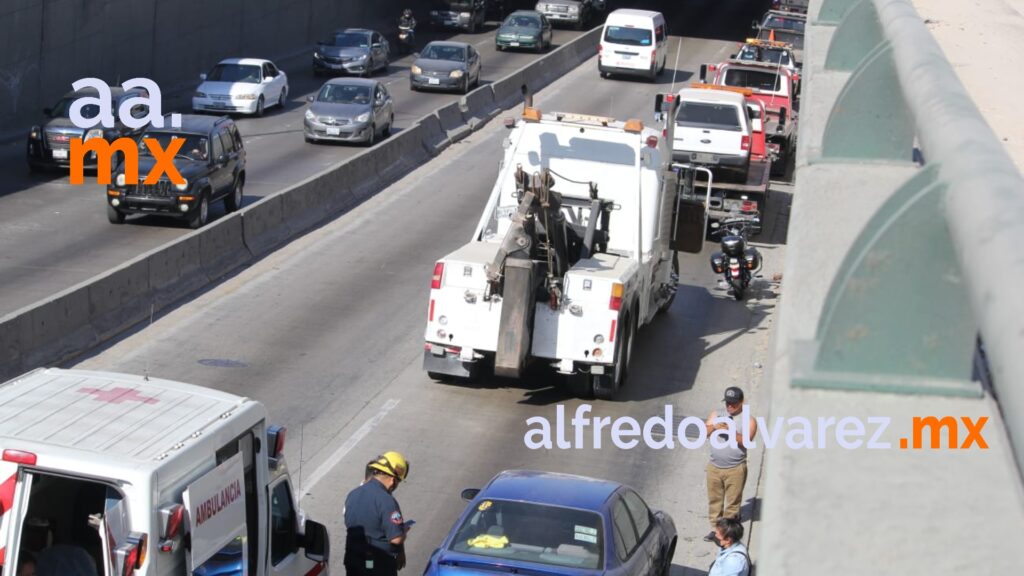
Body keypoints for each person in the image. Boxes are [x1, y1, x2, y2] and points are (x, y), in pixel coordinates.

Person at [343, 451, 411, 576]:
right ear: (392, 480)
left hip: (353, 562)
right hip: (378, 566)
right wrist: (403, 531)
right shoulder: (387, 501)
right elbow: (396, 539)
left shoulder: (353, 494)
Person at [704, 386, 757, 543]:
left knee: (733, 504)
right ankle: (715, 529)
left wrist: (731, 431)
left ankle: (727, 532)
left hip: (735, 468)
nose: (729, 406)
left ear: (741, 402)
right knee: (714, 501)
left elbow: (747, 441)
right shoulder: (717, 414)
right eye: (727, 403)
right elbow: (702, 432)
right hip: (714, 466)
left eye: (733, 404)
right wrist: (714, 426)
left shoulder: (749, 419)